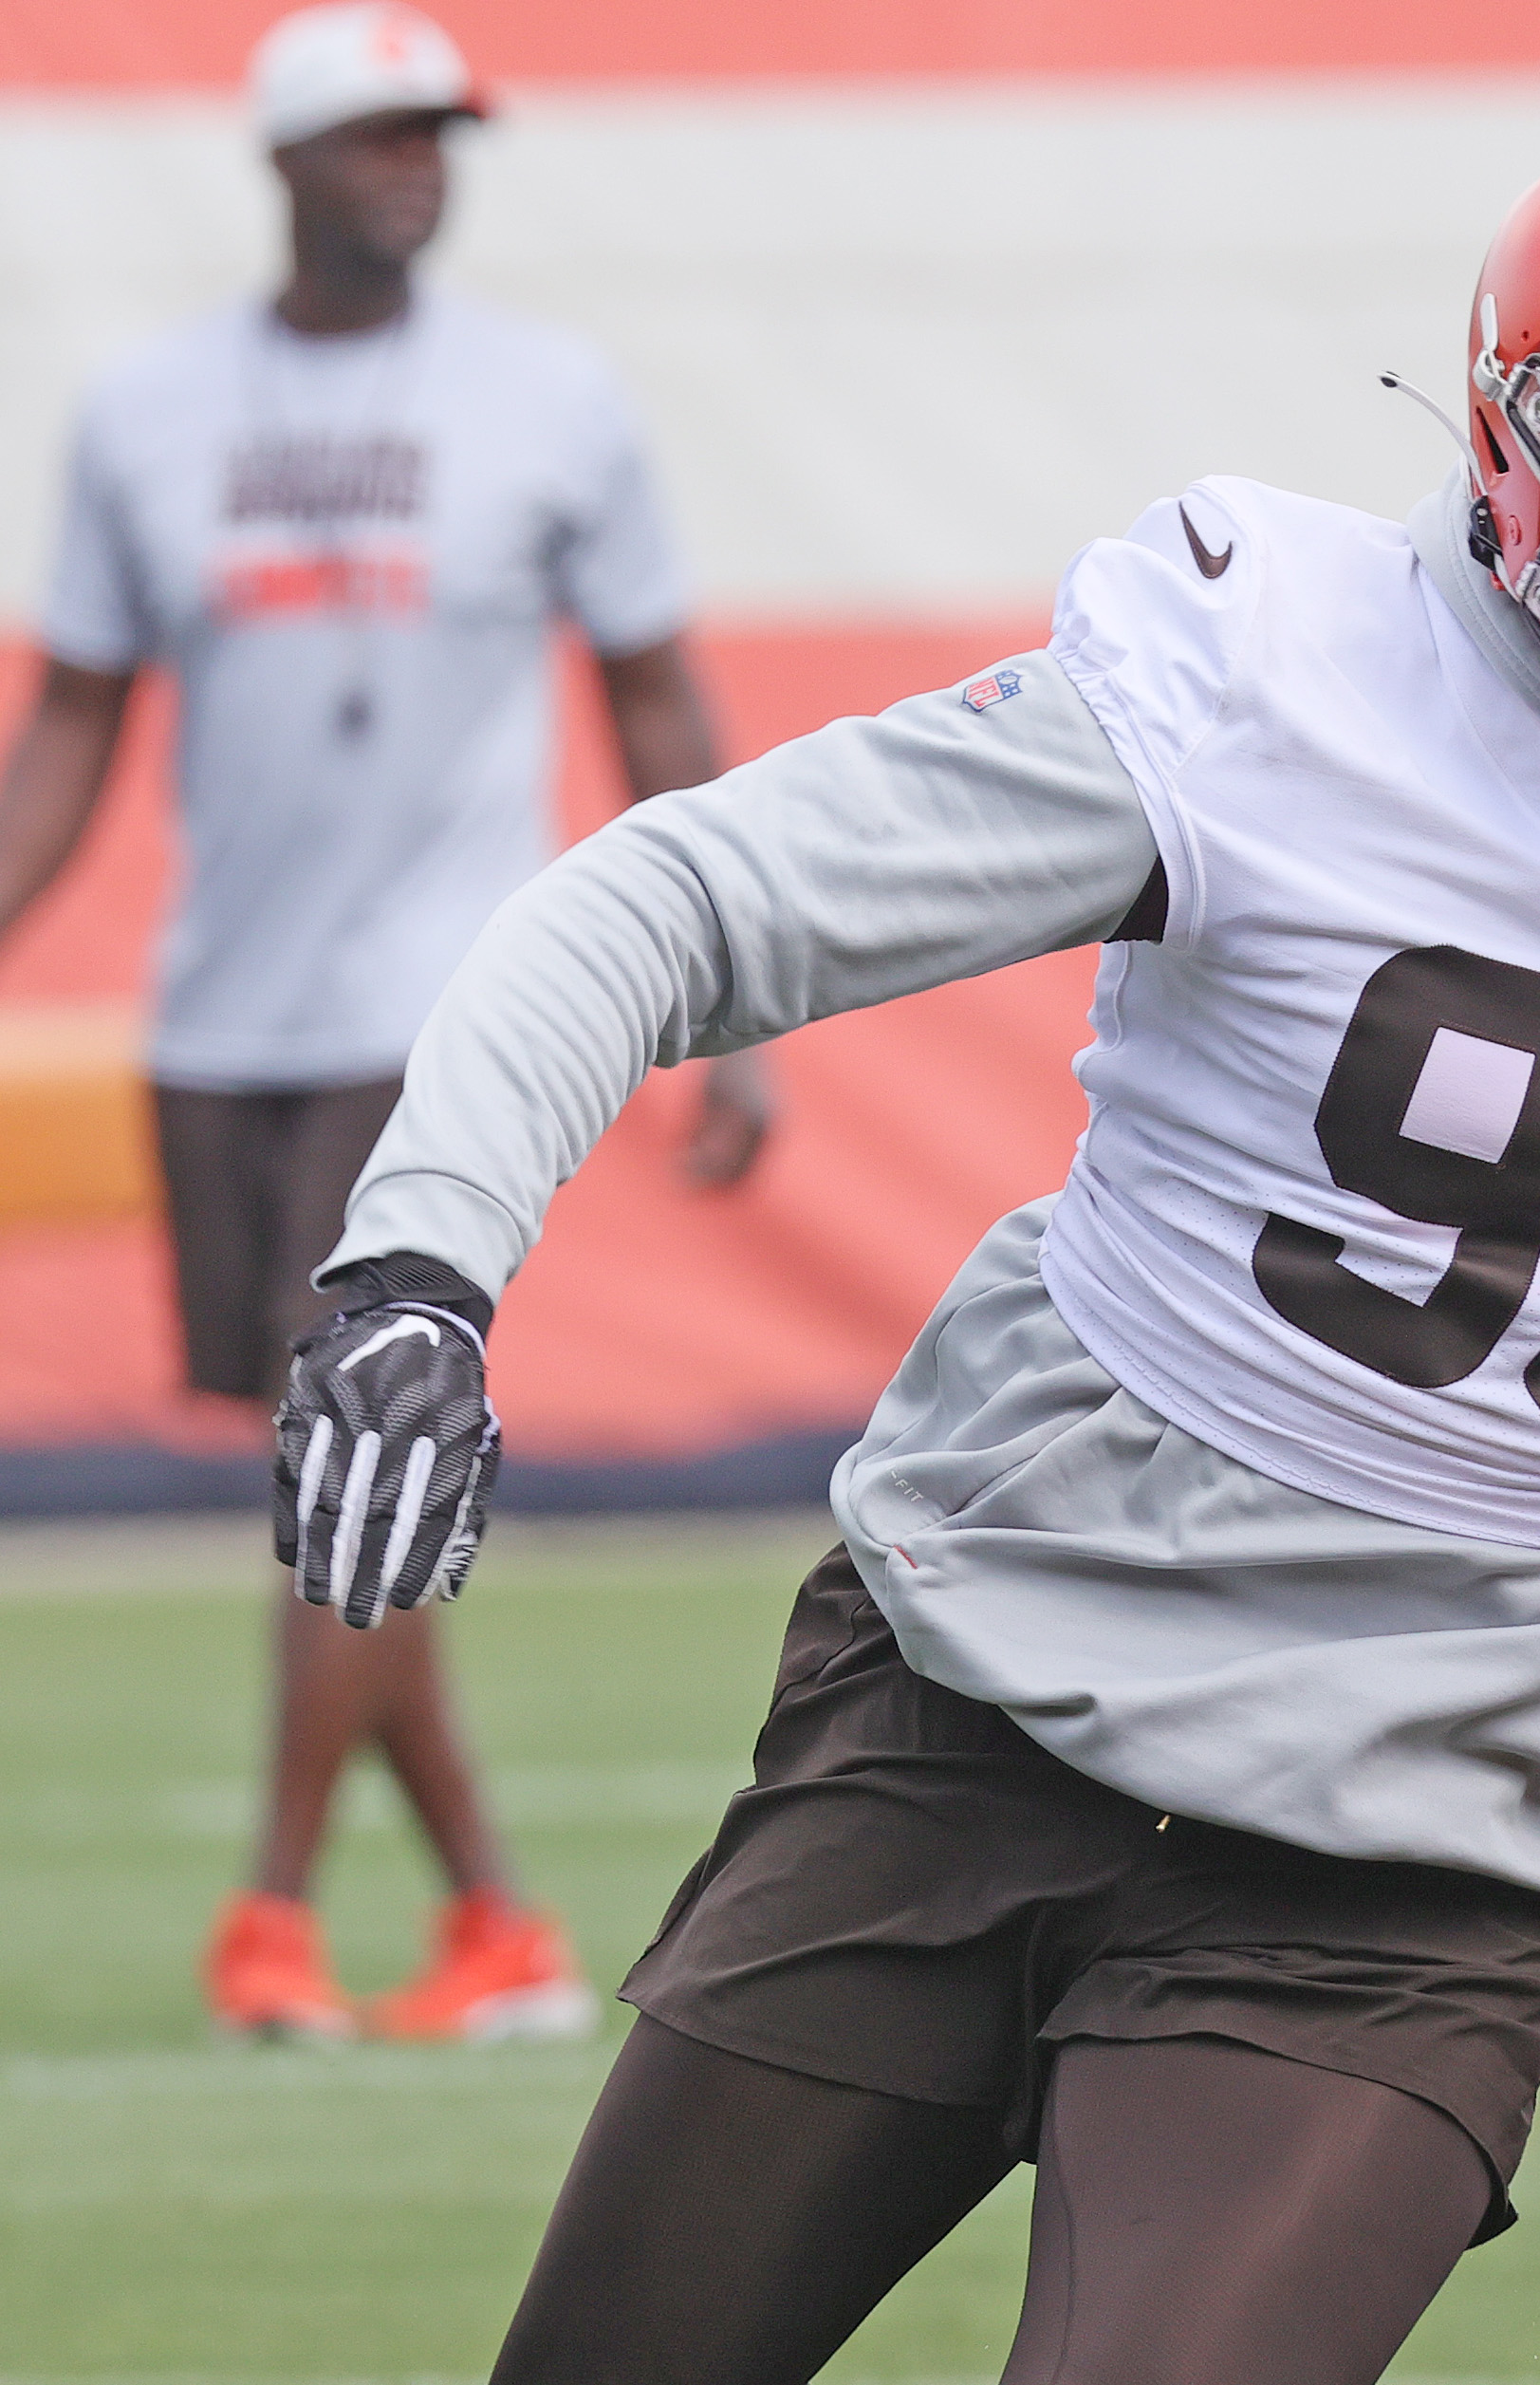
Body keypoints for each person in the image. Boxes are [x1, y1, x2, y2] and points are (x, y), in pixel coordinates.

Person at [269, 95, 1540, 2382]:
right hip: (972, 1710)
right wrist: (419, 1267)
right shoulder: (1275, 669)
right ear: (1538, 456)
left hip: (1424, 1867)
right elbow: (682, 899)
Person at [0, 3, 767, 2046]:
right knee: (328, 1462)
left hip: (442, 1010)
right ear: (284, 165)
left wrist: (740, 1009)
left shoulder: (552, 403)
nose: (419, 162)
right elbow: (68, 723)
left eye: (442, 131)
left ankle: (267, 1908)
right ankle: (499, 1928)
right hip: (219, 1019)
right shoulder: (149, 412)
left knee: (335, 1439)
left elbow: (659, 702)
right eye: (377, 134)